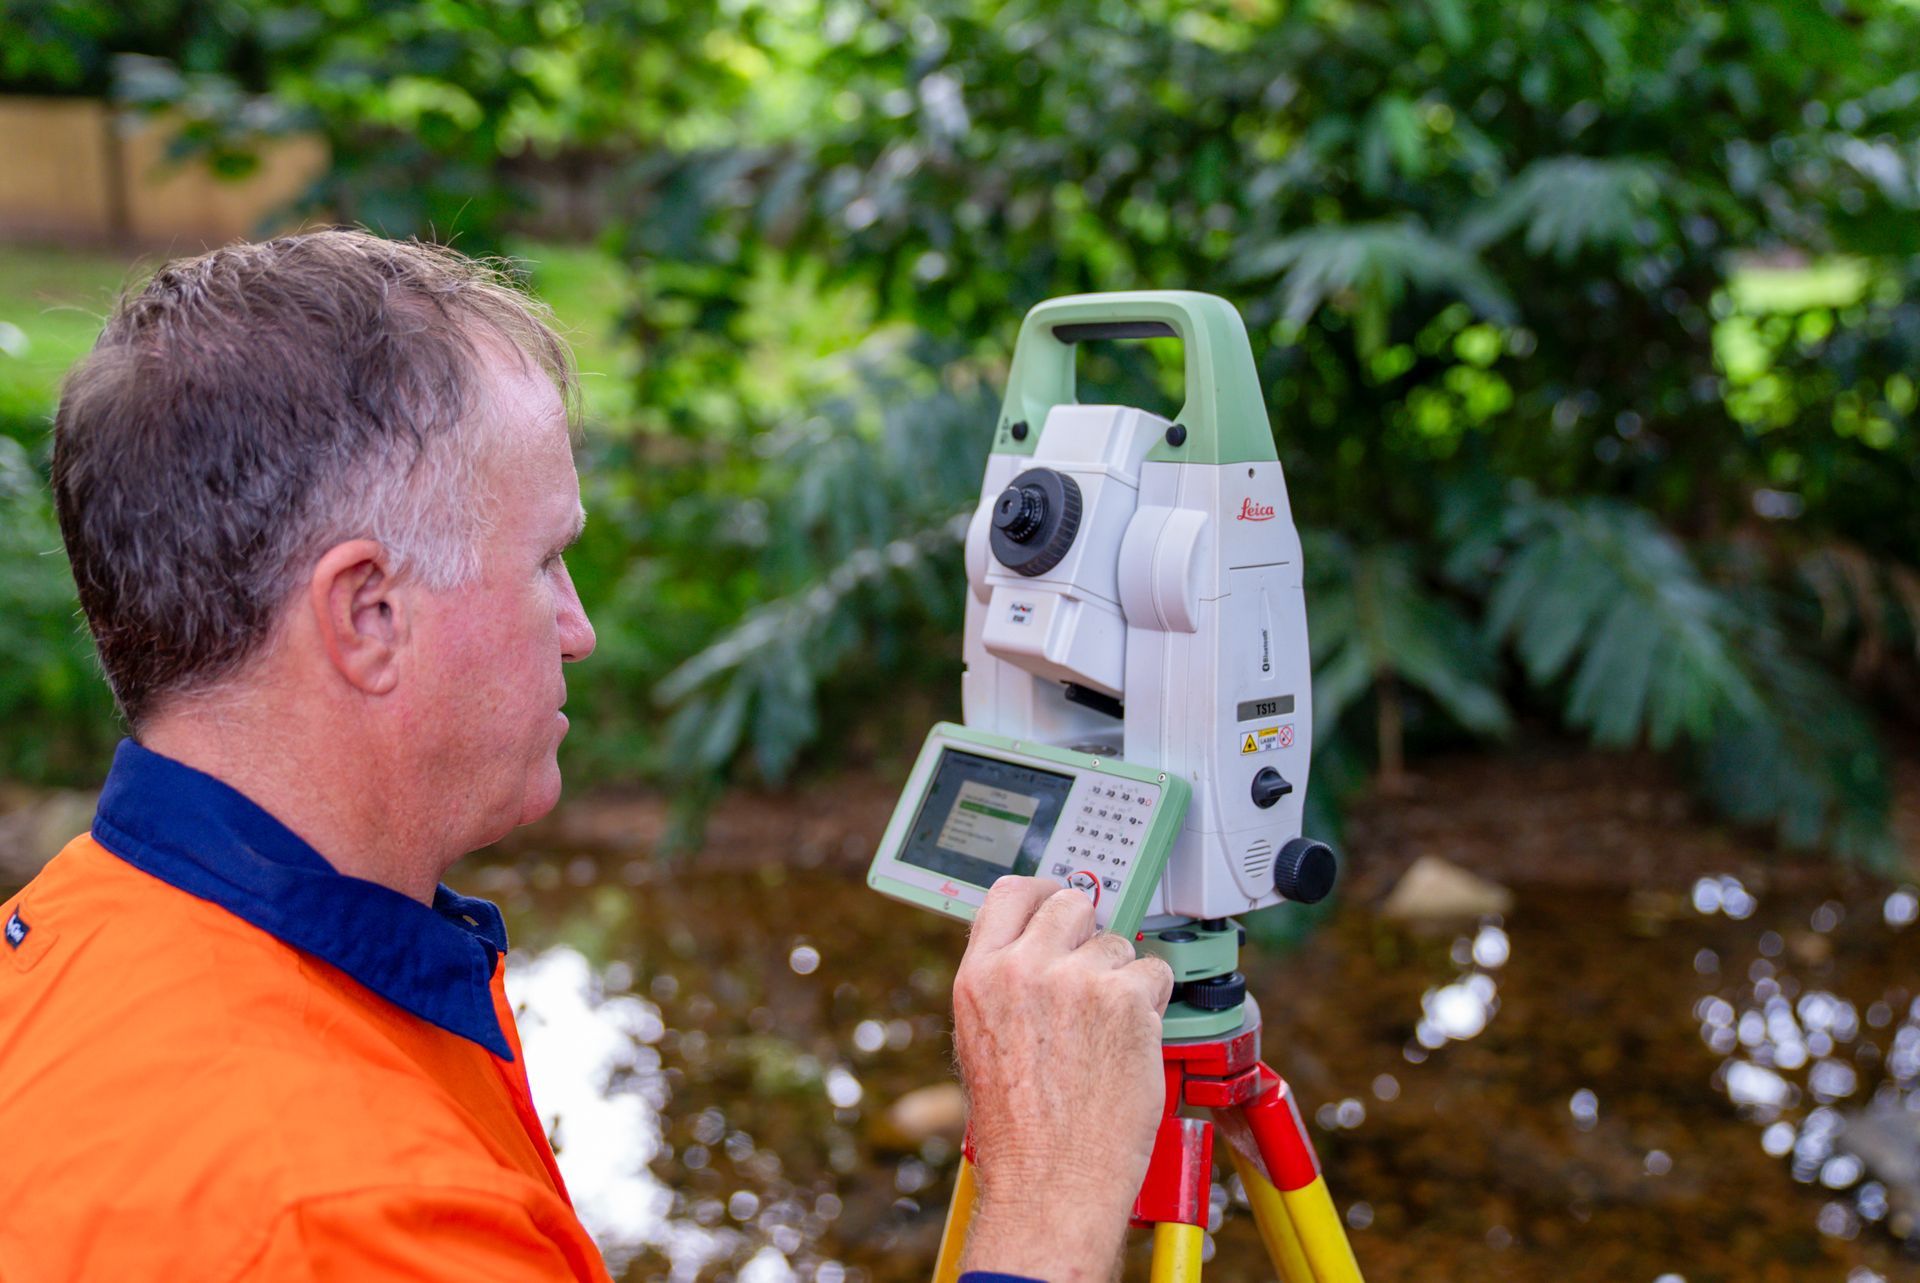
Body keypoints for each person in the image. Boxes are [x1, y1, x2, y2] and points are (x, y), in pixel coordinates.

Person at [0, 229, 1173, 1282]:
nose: (580, 626)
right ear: (367, 614)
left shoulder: (63, 939)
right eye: (546, 559)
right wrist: (1045, 1216)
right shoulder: (354, 1216)